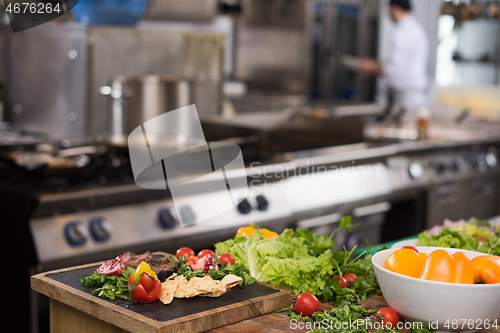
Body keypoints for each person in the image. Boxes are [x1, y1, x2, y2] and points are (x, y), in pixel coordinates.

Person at [360, 0, 429, 125]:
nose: (387, 12)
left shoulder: (402, 32)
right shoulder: (416, 29)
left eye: (388, 8)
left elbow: (395, 70)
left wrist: (372, 68)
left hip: (405, 102)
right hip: (414, 100)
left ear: (395, 8)